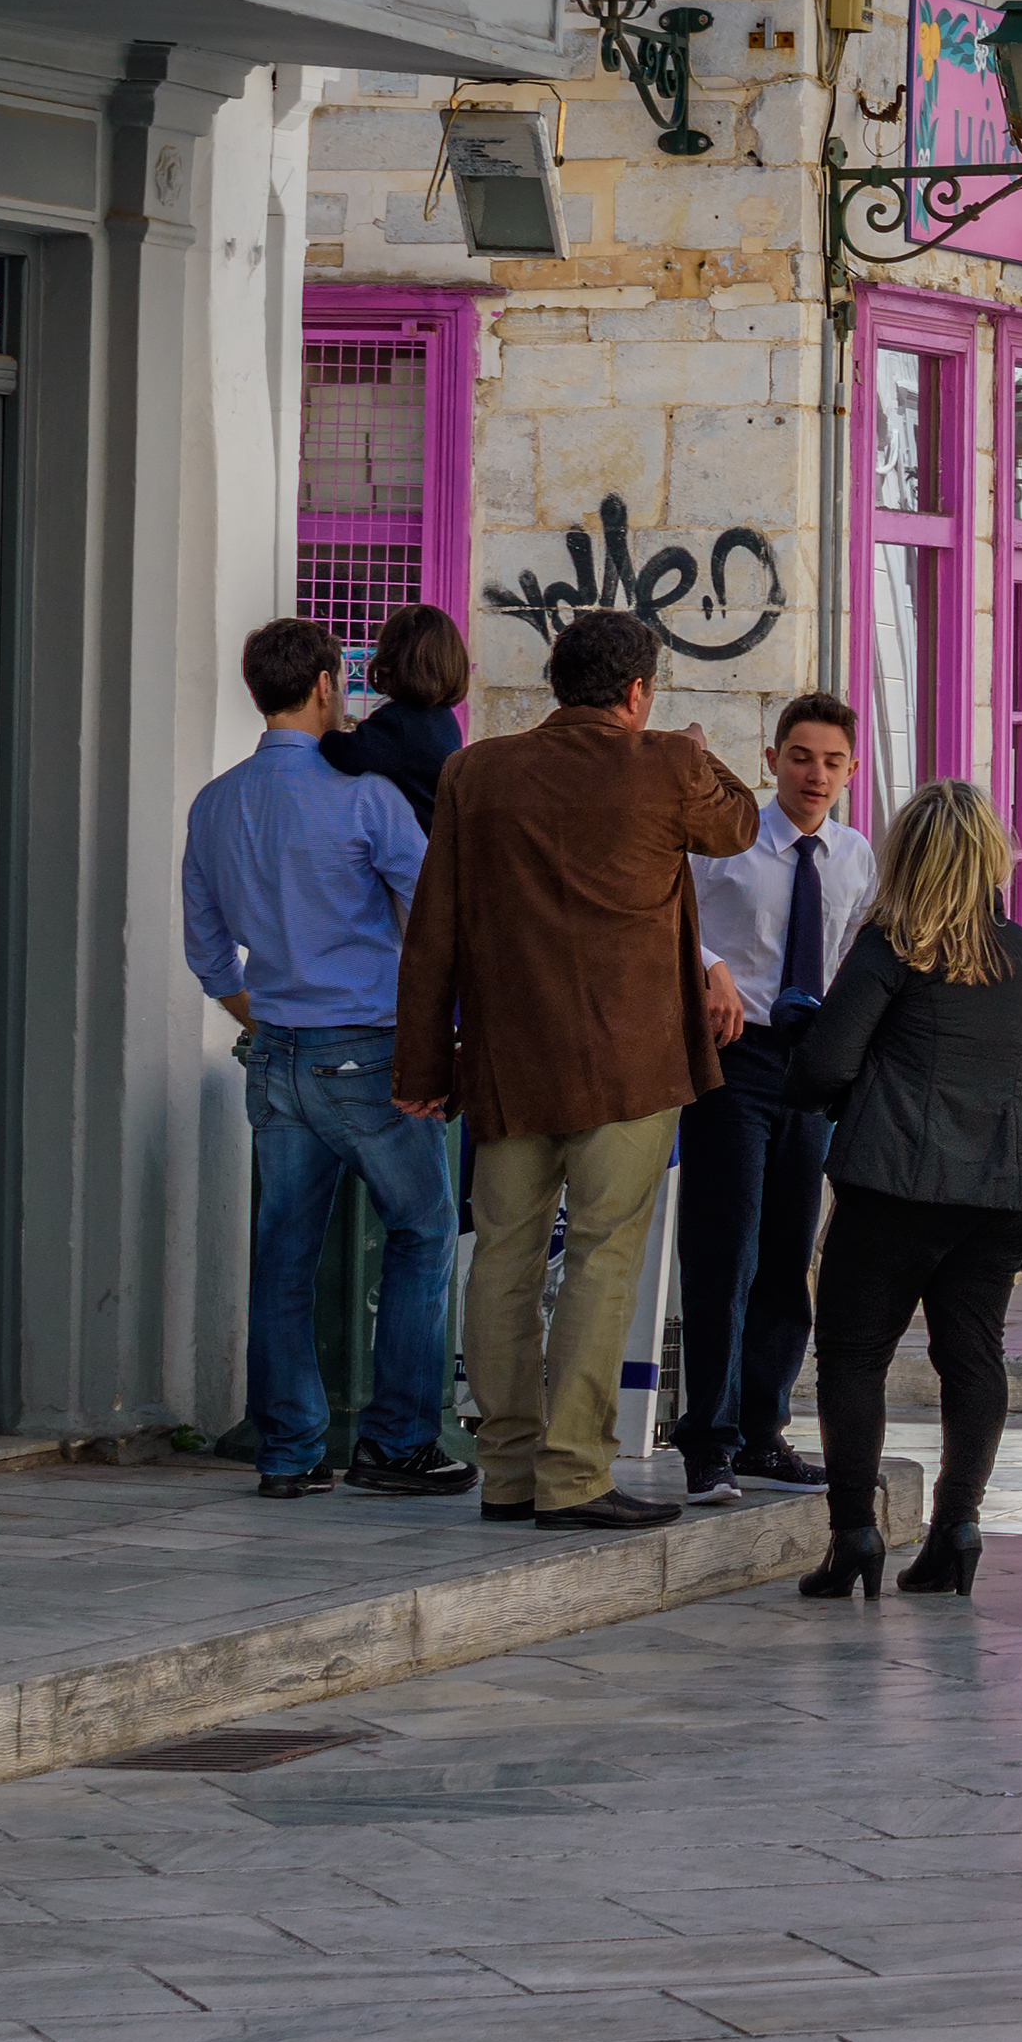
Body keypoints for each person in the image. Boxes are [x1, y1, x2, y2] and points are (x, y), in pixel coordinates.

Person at [392, 610, 761, 1530]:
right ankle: (574, 1473)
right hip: (630, 1069)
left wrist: (422, 1061)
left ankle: (508, 1471)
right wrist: (698, 750)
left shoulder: (475, 770)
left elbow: (431, 928)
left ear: (557, 683)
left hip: (511, 1063)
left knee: (503, 1261)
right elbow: (741, 825)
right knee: (602, 1260)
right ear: (637, 693)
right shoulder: (665, 765)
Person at [182, 617, 473, 1505]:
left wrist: (272, 1015)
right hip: (367, 1048)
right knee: (423, 1232)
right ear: (319, 684)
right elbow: (437, 913)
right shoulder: (367, 796)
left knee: (282, 1256)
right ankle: (397, 1442)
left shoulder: (214, 802)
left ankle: (291, 1449)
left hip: (274, 1051)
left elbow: (207, 956)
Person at [780, 779, 1022, 1602]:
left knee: (853, 1353)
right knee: (972, 1352)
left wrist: (801, 1027)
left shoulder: (892, 946)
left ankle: (854, 1535)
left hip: (892, 1185)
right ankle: (958, 1526)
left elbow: (822, 1067)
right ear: (990, 857)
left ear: (907, 855)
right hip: (999, 1191)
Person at [670, 691, 870, 1505]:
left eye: (830, 761)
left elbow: (852, 953)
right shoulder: (729, 841)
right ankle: (707, 1441)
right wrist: (711, 967)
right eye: (799, 756)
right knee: (727, 1249)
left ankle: (764, 1429)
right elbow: (673, 915)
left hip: (811, 1065)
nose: (813, 774)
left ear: (851, 770)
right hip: (736, 1054)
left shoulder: (856, 855)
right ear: (772, 760)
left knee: (791, 1251)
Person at [320, 603, 469, 827]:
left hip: (416, 843)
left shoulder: (398, 723)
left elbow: (346, 753)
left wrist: (325, 732)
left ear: (391, 661)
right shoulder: (443, 720)